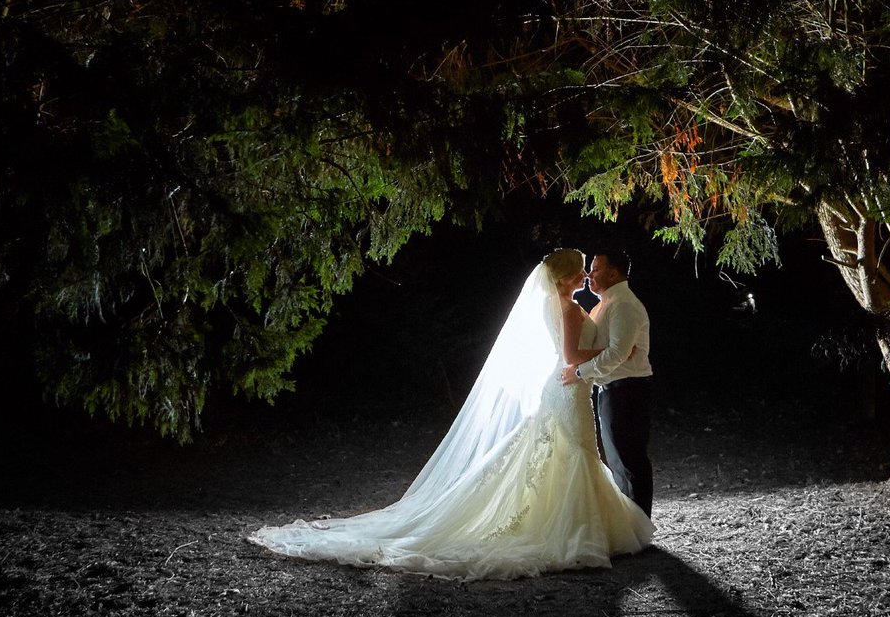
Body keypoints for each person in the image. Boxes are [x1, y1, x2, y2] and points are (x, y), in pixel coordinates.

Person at [247, 249, 654, 580]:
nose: (586, 277)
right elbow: (569, 355)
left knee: (570, 453)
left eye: (591, 270)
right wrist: (604, 356)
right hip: (568, 385)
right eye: (582, 271)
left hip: (571, 386)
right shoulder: (565, 307)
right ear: (565, 277)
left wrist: (601, 357)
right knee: (570, 453)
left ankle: (582, 523)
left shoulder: (568, 303)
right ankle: (574, 528)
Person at [560, 250, 653, 517]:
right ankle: (630, 522)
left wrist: (579, 373)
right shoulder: (605, 304)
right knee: (617, 458)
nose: (589, 274)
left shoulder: (623, 304)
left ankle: (640, 523)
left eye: (596, 268)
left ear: (614, 272)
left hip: (628, 389)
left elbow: (616, 353)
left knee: (629, 458)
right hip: (612, 388)